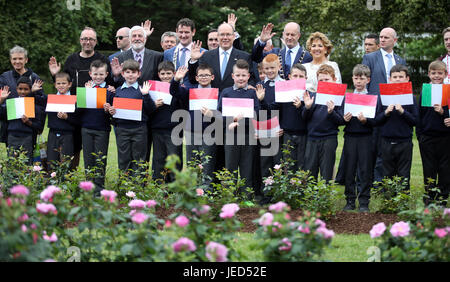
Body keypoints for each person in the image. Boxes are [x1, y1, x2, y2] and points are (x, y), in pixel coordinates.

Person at [48, 27, 113, 170]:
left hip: (94, 113)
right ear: (80, 41)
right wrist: (55, 74)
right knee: (73, 145)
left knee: (93, 150)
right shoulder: (71, 59)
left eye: (90, 39)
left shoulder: (102, 59)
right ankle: (70, 175)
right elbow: (64, 82)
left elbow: (108, 83)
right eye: (84, 39)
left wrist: (112, 86)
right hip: (73, 108)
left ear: (95, 42)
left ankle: (92, 179)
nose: (87, 42)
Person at [362, 27, 407, 184]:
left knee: (388, 148)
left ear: (394, 40)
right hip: (376, 108)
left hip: (396, 108)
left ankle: (388, 180)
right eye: (381, 37)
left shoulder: (400, 60)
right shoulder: (370, 58)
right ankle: (374, 181)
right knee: (374, 147)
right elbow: (365, 82)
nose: (382, 40)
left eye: (386, 37)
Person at [217, 59, 265, 196]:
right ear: (232, 76)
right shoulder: (226, 92)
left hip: (248, 136)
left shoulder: (252, 93)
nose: (241, 78)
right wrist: (229, 122)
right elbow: (219, 113)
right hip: (231, 136)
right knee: (230, 167)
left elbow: (256, 113)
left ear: (249, 76)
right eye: (238, 75)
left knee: (246, 168)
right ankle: (229, 196)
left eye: (244, 75)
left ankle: (246, 197)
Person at [169, 64, 217, 188]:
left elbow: (222, 113)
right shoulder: (190, 91)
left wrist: (212, 114)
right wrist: (176, 80)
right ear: (196, 78)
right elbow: (174, 91)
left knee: (207, 163)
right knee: (192, 163)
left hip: (209, 133)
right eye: (201, 75)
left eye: (206, 75)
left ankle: (206, 190)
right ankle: (192, 190)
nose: (204, 77)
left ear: (212, 77)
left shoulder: (217, 92)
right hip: (191, 132)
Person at [105, 59, 155, 176]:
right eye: (127, 72)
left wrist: (146, 95)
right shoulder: (117, 91)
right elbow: (112, 112)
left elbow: (151, 110)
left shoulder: (143, 90)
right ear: (122, 74)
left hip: (139, 129)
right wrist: (111, 111)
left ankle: (138, 188)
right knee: (124, 159)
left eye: (133, 72)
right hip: (122, 130)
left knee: (139, 159)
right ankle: (124, 187)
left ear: (139, 74)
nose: (130, 75)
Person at [341, 64, 379, 212]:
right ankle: (350, 201)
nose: (358, 81)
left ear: (368, 80)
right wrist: (344, 118)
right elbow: (339, 117)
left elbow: (377, 120)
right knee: (349, 169)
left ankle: (364, 202)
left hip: (366, 138)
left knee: (365, 170)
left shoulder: (372, 98)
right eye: (356, 78)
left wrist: (366, 121)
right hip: (350, 136)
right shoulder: (347, 97)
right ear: (352, 78)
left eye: (361, 78)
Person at [375, 65, 418, 191]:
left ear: (407, 79)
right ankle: (388, 202)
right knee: (387, 173)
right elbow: (376, 120)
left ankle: (402, 203)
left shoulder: (411, 98)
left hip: (404, 141)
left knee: (404, 173)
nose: (398, 79)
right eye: (395, 77)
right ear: (390, 79)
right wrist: (386, 113)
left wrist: (402, 111)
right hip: (386, 140)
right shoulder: (383, 97)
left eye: (401, 77)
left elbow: (415, 121)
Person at [302, 64, 344, 182]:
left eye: (327, 79)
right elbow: (304, 117)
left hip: (329, 138)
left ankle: (325, 198)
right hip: (312, 138)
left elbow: (341, 120)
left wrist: (331, 112)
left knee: (327, 171)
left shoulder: (338, 97)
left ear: (334, 80)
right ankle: (311, 198)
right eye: (321, 80)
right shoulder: (312, 96)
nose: (324, 82)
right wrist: (308, 107)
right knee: (310, 171)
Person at [417, 60, 450, 206]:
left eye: (440, 73)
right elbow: (420, 115)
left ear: (445, 74)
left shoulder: (448, 91)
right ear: (429, 74)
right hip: (427, 137)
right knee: (429, 169)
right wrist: (420, 135)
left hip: (445, 136)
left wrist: (443, 112)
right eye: (433, 73)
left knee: (445, 169)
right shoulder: (426, 90)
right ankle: (429, 198)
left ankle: (442, 199)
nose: (436, 76)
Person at [80, 60, 114, 193]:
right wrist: (86, 94)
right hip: (86, 128)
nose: (98, 77)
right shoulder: (86, 89)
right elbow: (79, 110)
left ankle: (99, 188)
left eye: (101, 74)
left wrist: (109, 108)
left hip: (102, 129)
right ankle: (88, 187)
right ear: (90, 74)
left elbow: (113, 113)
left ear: (106, 74)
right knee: (88, 158)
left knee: (100, 158)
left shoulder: (110, 92)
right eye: (95, 74)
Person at [0, 46, 45, 144]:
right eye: (14, 59)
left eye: (20, 58)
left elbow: (42, 103)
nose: (17, 61)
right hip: (11, 126)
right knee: (12, 157)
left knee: (28, 157)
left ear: (26, 60)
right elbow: (1, 103)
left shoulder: (34, 77)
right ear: (10, 60)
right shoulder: (5, 77)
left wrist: (39, 126)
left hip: (29, 126)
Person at [150, 61, 183, 182]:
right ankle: (158, 184)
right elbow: (148, 108)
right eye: (163, 73)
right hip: (157, 128)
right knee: (159, 158)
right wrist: (154, 105)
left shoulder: (178, 89)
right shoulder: (153, 89)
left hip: (174, 129)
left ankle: (174, 185)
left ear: (174, 73)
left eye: (169, 73)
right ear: (158, 74)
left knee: (174, 157)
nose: (165, 76)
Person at [0, 77, 45, 164]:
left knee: (27, 162)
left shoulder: (34, 104)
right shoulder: (12, 102)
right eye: (20, 89)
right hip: (12, 136)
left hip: (27, 137)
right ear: (16, 89)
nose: (23, 92)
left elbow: (39, 127)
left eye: (26, 89)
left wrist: (29, 122)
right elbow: (1, 115)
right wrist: (1, 100)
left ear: (30, 89)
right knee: (12, 162)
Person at [45, 72, 78, 171]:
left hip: (67, 134)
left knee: (66, 161)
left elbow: (78, 120)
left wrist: (67, 117)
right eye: (58, 83)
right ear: (55, 85)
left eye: (64, 83)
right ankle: (52, 184)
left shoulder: (75, 100)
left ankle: (64, 184)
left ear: (70, 84)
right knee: (51, 161)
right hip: (53, 133)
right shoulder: (50, 99)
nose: (61, 85)